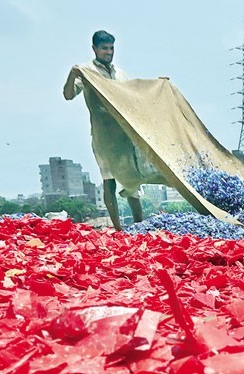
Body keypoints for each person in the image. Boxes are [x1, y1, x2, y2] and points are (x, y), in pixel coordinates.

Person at [64, 30, 143, 230]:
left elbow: (133, 95)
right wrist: (72, 75)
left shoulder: (119, 73)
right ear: (94, 49)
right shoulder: (87, 71)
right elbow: (68, 95)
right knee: (109, 179)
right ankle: (118, 229)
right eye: (104, 48)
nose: (109, 52)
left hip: (124, 135)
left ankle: (140, 225)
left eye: (111, 48)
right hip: (103, 136)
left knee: (133, 181)